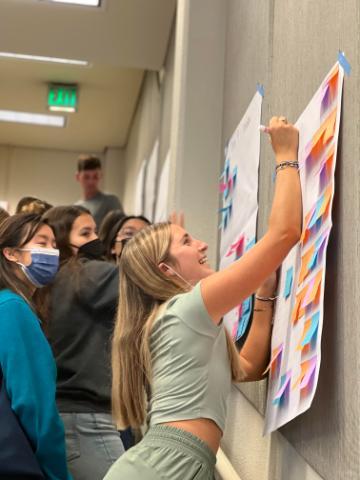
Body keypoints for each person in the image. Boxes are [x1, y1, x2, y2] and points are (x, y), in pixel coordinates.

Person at [104, 117, 302, 479]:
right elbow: (285, 233)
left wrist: (264, 297)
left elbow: (246, 368)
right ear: (165, 270)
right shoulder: (185, 309)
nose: (202, 244)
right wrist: (287, 154)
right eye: (186, 241)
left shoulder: (178, 318)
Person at [42, 205, 124, 480]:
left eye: (95, 231)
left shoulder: (48, 283)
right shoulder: (87, 274)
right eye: (85, 232)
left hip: (64, 415)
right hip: (87, 421)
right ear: (63, 239)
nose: (94, 240)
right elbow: (149, 288)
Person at [0, 213, 72, 479]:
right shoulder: (13, 309)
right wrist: (57, 473)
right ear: (11, 253)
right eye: (41, 242)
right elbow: (34, 406)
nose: (52, 251)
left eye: (54, 244)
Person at [75, 155, 123, 228]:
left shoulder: (111, 201)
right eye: (86, 177)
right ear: (77, 177)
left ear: (101, 176)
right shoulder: (75, 208)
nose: (91, 182)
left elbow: (121, 229)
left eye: (95, 176)